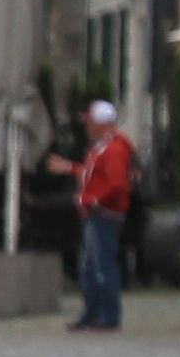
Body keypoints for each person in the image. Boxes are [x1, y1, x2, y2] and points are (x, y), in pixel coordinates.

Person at [70, 101, 134, 331]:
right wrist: (70, 168)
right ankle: (93, 313)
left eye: (90, 122)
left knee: (101, 266)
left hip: (103, 214)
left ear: (102, 123)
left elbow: (117, 184)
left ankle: (108, 316)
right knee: (91, 266)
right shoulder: (101, 147)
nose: (87, 126)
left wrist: (93, 200)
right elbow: (92, 173)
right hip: (96, 214)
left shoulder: (114, 149)